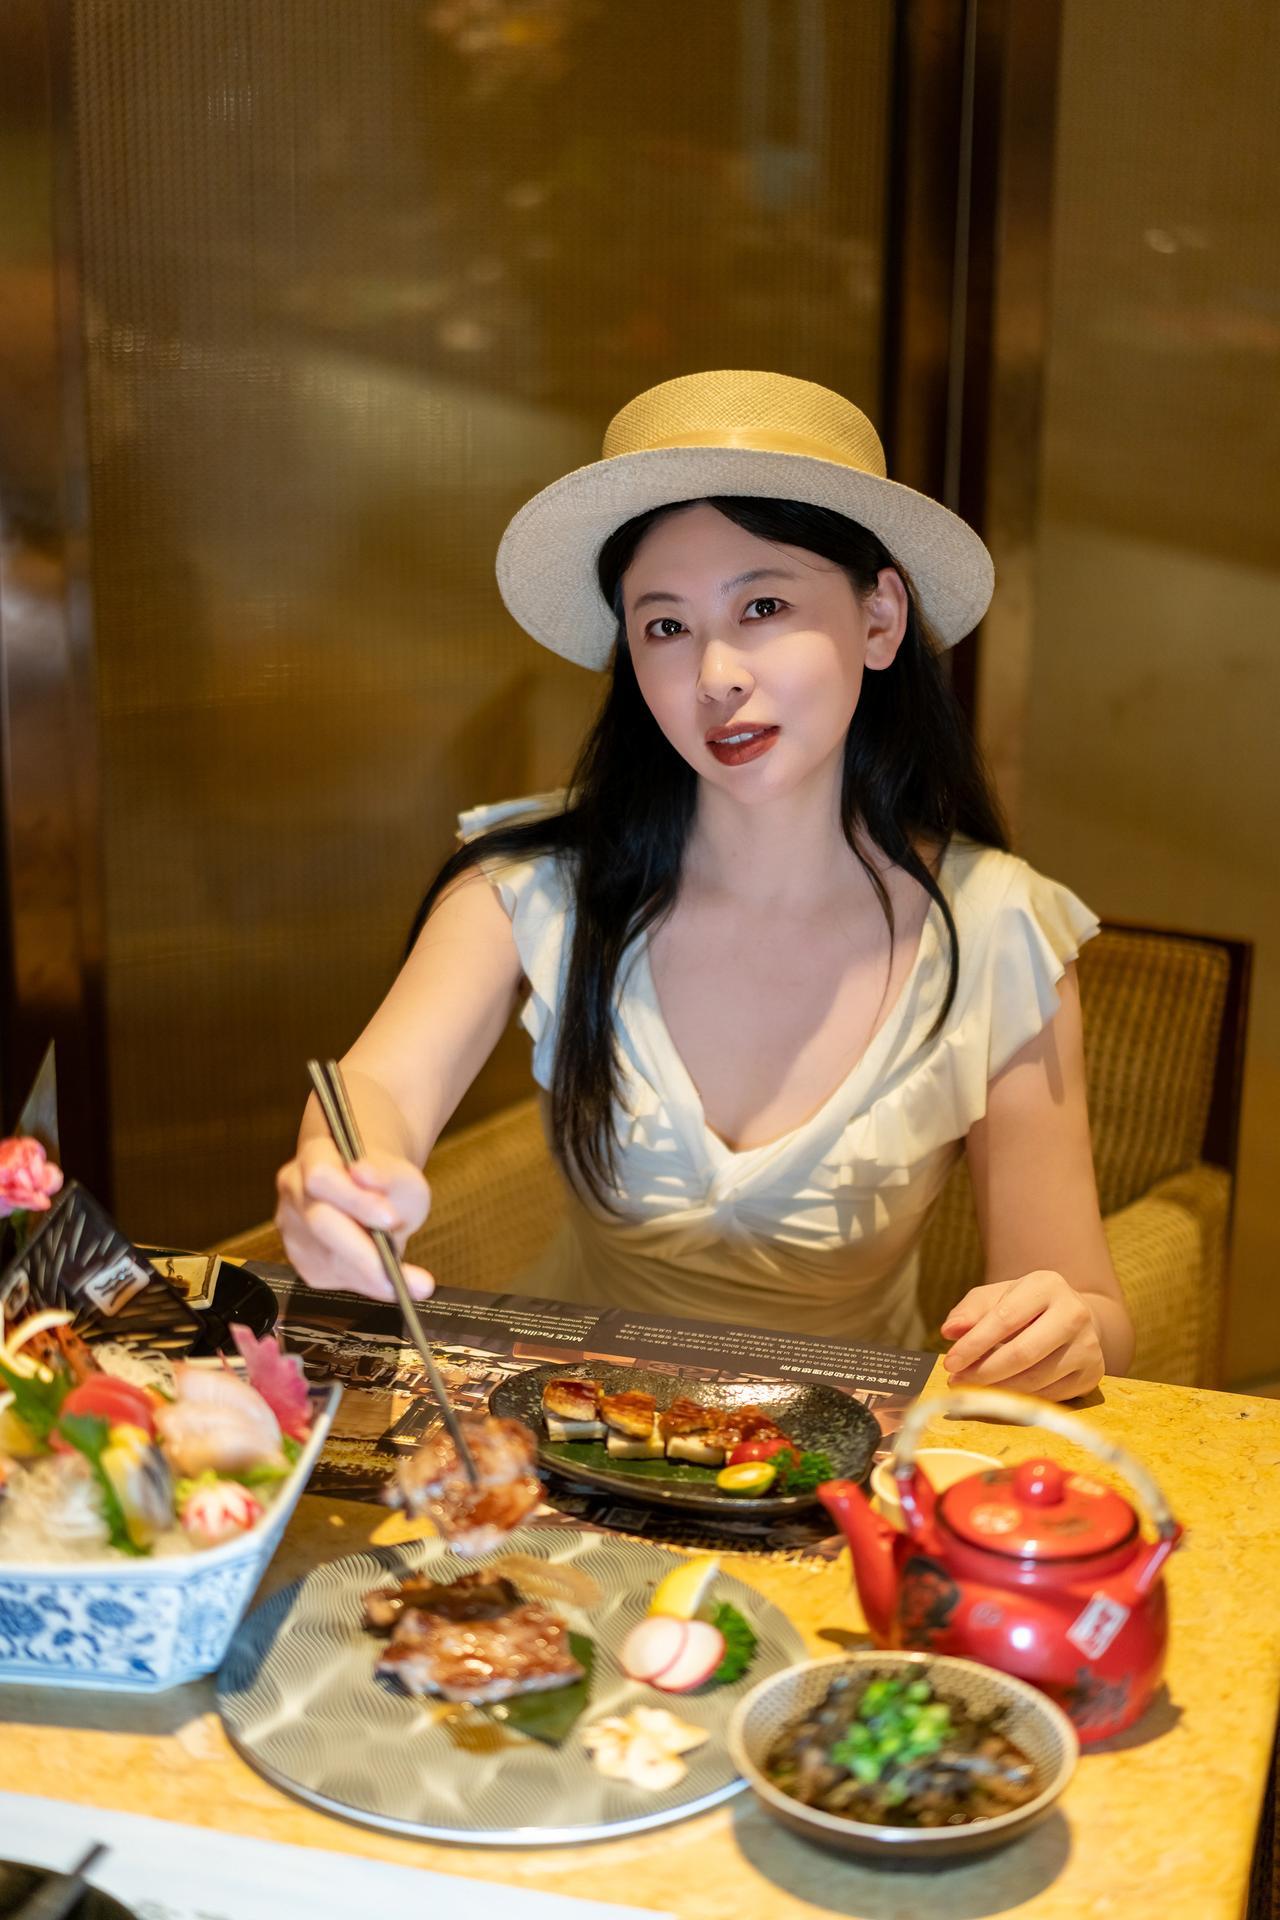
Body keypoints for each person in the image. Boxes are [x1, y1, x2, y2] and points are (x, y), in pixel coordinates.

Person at [275, 370, 1134, 1401]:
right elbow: (377, 1090)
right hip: (561, 1429)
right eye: (665, 626)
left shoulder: (999, 931)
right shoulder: (536, 880)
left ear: (879, 618)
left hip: (839, 1459)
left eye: (763, 605)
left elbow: (1089, 1307)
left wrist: (1064, 1332)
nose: (715, 674)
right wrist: (337, 1177)